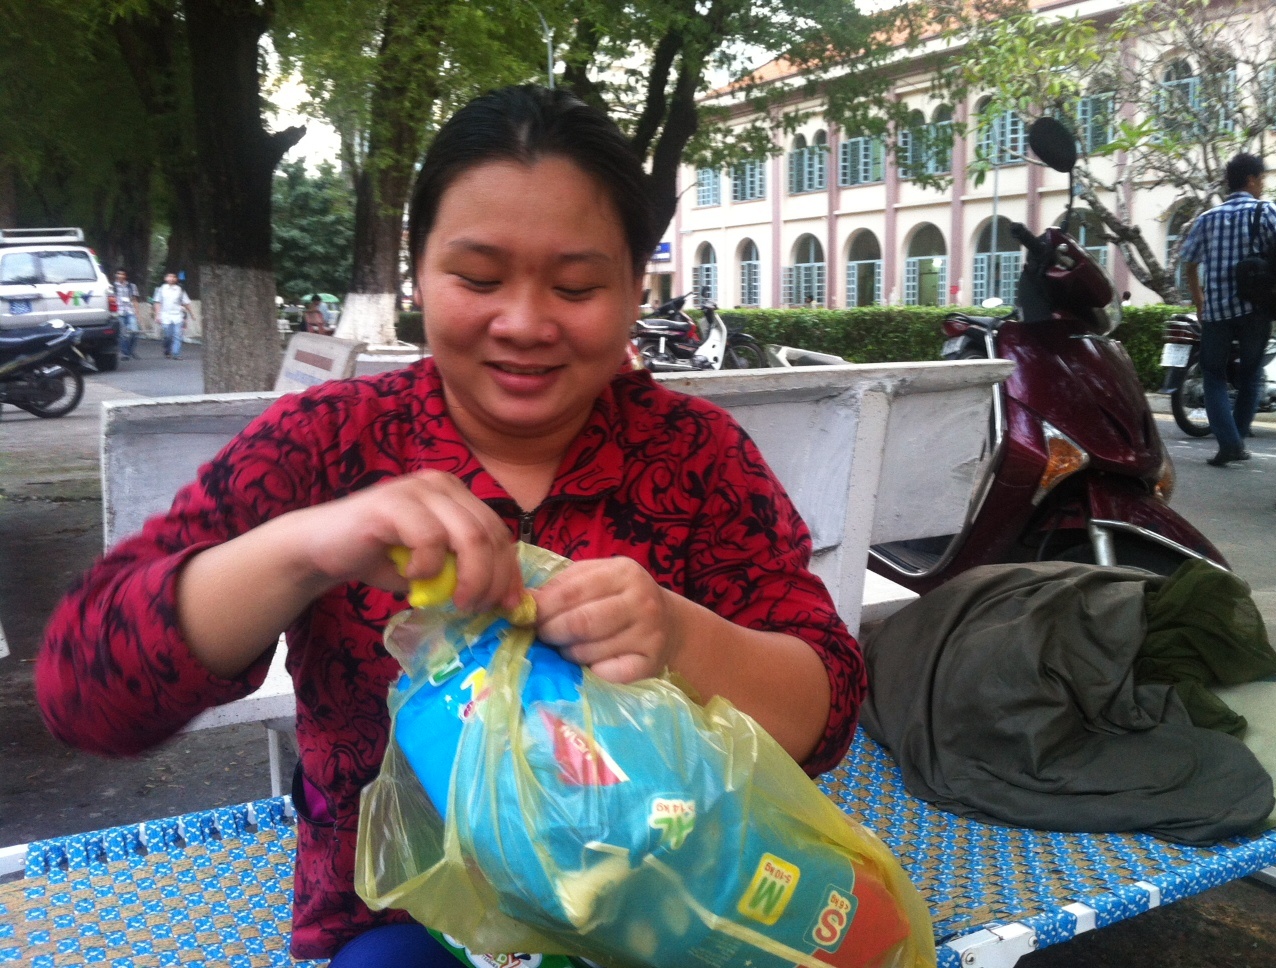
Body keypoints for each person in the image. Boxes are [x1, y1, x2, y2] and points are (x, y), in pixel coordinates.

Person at [36, 86, 863, 967]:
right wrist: (305, 547)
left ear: (634, 289)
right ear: (419, 273)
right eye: (477, 278)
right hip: (402, 917)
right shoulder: (327, 441)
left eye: (577, 286)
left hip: (660, 907)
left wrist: (680, 636)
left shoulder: (695, 455)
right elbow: (85, 693)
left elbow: (827, 713)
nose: (524, 324)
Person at [1179, 153, 1276, 466]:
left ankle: (1230, 443)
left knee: (1213, 375)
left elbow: (1189, 264)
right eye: (1261, 179)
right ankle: (1235, 441)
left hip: (1216, 313)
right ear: (1251, 179)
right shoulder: (1266, 211)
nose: (1262, 185)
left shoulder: (1207, 218)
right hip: (1255, 309)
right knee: (1251, 375)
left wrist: (1200, 302)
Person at [152, 272, 193, 359]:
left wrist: (191, 314)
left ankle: (176, 354)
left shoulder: (180, 289)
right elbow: (157, 302)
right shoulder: (161, 289)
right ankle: (167, 350)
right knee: (168, 336)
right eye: (169, 276)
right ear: (165, 278)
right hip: (165, 315)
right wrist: (157, 315)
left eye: (173, 277)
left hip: (177, 315)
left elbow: (186, 302)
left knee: (177, 335)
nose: (171, 278)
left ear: (176, 279)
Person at [112, 269, 141, 360]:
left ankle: (130, 350)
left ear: (126, 276)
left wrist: (137, 312)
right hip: (119, 312)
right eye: (118, 274)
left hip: (130, 311)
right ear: (116, 275)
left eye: (122, 274)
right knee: (123, 334)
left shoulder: (131, 286)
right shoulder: (112, 286)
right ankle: (125, 353)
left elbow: (135, 300)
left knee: (135, 332)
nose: (120, 276)